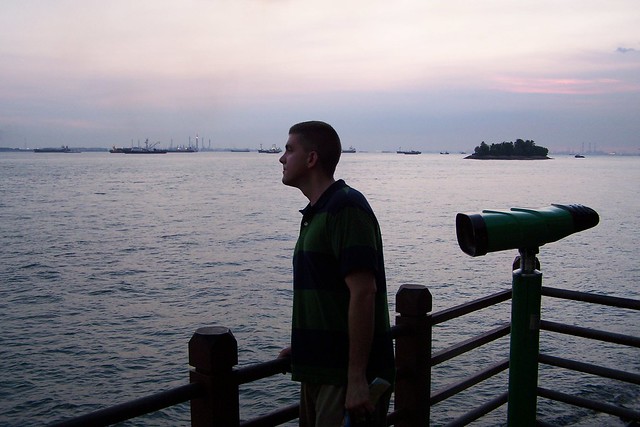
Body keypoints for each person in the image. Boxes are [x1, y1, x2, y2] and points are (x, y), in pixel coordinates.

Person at [277, 121, 395, 426]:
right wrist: (306, 345)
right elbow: (328, 289)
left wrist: (356, 378)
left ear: (312, 158)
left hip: (342, 379)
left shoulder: (346, 207)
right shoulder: (317, 213)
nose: (281, 158)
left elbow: (363, 291)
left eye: (289, 150)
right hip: (319, 369)